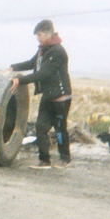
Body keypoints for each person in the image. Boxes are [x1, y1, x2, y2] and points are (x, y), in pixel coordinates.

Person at [9, 19, 72, 169]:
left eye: (39, 34)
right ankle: (44, 160)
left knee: (60, 129)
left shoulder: (58, 52)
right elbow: (32, 64)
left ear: (49, 33)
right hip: (48, 96)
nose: (37, 38)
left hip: (60, 98)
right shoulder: (42, 50)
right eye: (37, 35)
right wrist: (13, 67)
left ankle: (65, 159)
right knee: (40, 127)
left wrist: (20, 80)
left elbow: (44, 74)